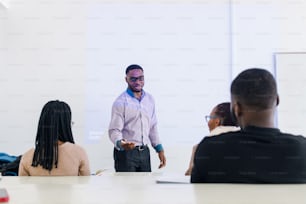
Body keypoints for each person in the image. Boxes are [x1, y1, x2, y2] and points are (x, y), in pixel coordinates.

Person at [191, 68, 306, 183]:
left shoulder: (209, 149)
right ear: (277, 100)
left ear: (236, 109)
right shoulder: (302, 149)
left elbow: (197, 196)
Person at [109, 64, 166, 172]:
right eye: (133, 79)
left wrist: (159, 149)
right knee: (126, 187)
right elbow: (114, 130)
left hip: (144, 152)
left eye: (141, 78)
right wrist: (121, 143)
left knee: (145, 187)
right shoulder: (120, 102)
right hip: (126, 153)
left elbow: (152, 126)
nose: (138, 82)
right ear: (126, 79)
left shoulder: (149, 99)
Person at [19, 100, 90, 176]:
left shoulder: (27, 157)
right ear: (66, 125)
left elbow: (23, 187)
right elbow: (85, 185)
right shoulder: (79, 153)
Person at [185, 102, 239, 175]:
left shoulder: (205, 145)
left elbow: (192, 178)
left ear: (217, 122)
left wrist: (195, 153)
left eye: (210, 118)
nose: (208, 122)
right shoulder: (246, 142)